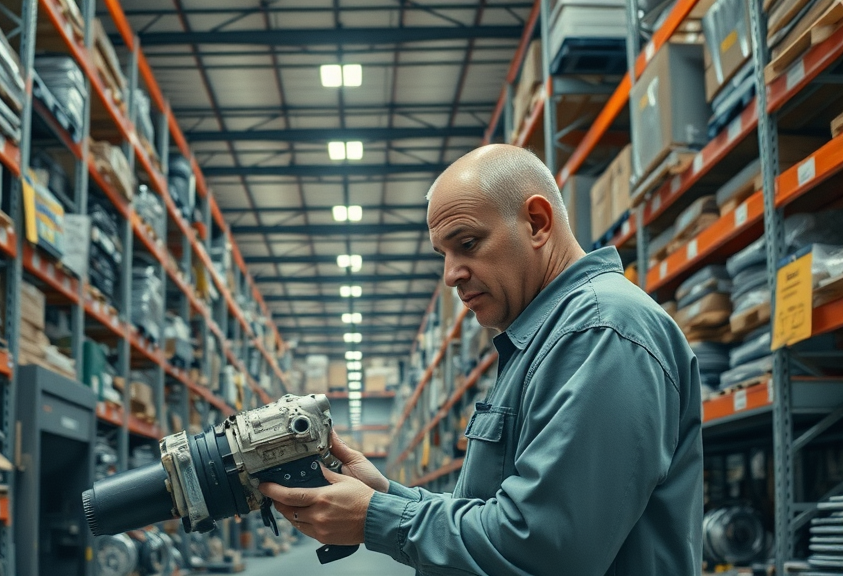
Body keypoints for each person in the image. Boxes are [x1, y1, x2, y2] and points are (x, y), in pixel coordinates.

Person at [259, 144, 703, 575]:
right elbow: (496, 513)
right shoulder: (543, 339)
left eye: (467, 243)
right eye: (444, 255)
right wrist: (385, 495)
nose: (451, 274)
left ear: (537, 222)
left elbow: (545, 550)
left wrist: (376, 517)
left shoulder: (600, 334)